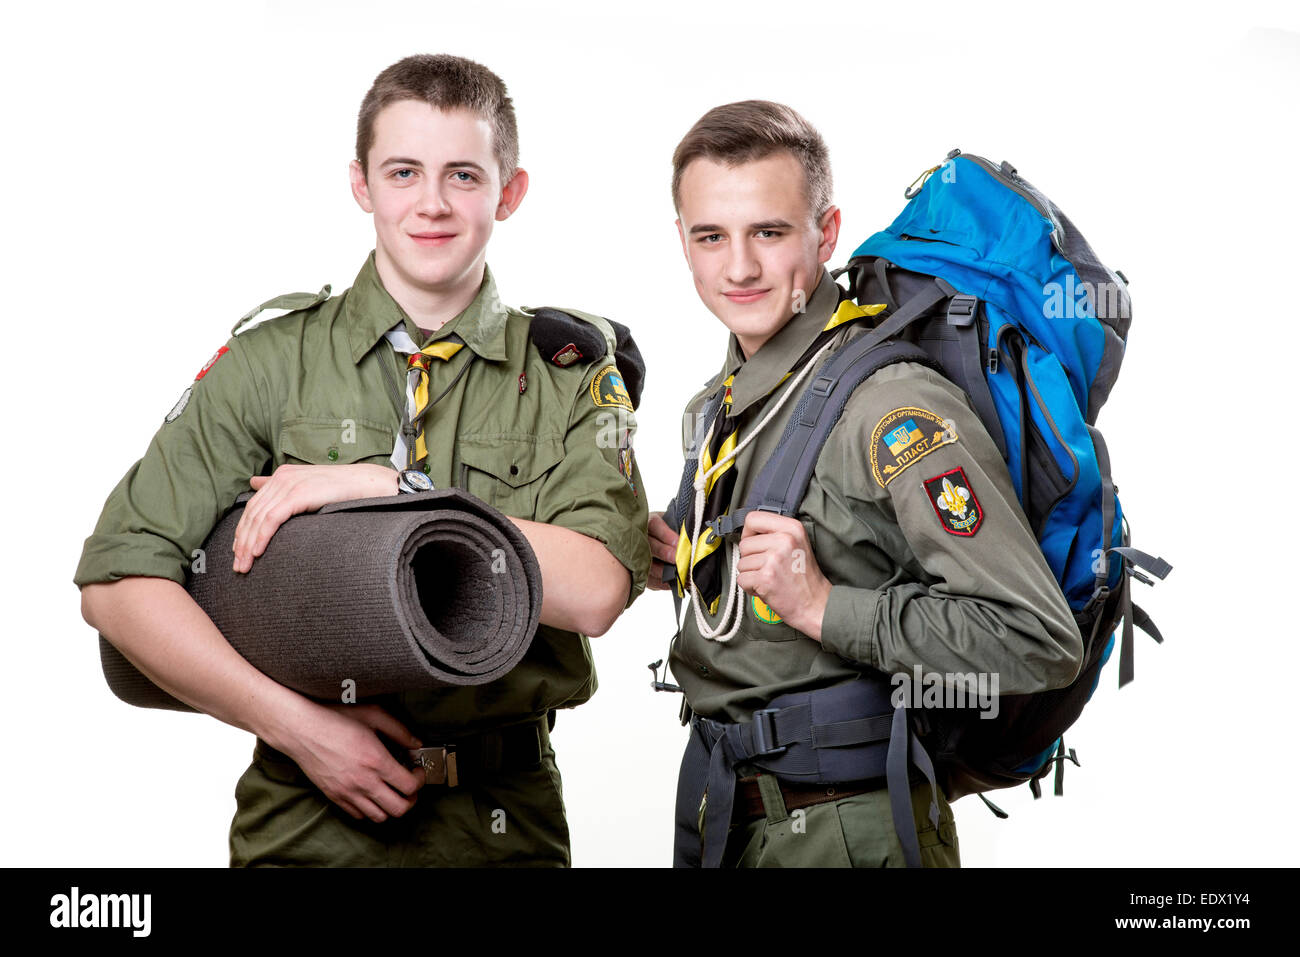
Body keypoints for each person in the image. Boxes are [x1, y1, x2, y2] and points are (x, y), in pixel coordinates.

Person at [75, 53, 650, 868]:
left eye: (463, 175)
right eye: (404, 171)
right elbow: (117, 581)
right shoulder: (272, 360)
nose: (432, 203)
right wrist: (297, 726)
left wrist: (397, 489)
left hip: (502, 820)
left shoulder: (568, 373)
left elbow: (595, 589)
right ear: (362, 184)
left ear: (510, 191)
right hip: (304, 822)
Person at [646, 101, 1082, 867]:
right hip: (731, 816)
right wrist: (688, 559)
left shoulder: (892, 407)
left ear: (827, 232)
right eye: (711, 235)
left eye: (769, 232)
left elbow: (1038, 639)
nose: (738, 267)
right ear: (681, 241)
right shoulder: (719, 404)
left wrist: (824, 605)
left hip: (849, 831)